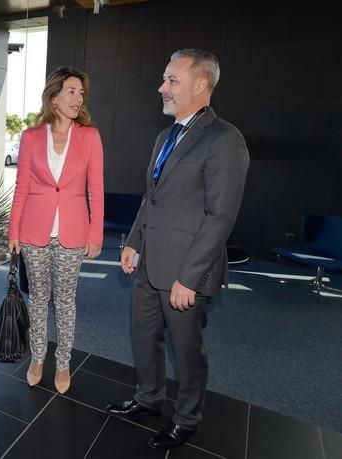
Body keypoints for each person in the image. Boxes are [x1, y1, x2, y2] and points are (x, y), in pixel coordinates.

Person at [105, 49, 250, 449]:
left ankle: (187, 420)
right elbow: (150, 198)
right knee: (143, 338)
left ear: (200, 84)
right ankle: (148, 399)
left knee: (186, 352)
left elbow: (220, 217)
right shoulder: (165, 136)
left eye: (171, 80)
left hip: (186, 271)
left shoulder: (225, 140)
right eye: (164, 79)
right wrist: (134, 241)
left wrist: (189, 276)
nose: (161, 87)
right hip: (150, 262)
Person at [7, 66, 104, 395]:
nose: (78, 98)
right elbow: (21, 187)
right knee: (37, 300)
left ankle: (63, 362)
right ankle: (37, 357)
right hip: (34, 230)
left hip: (73, 232)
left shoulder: (90, 136)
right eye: (72, 91)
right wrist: (13, 230)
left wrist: (95, 234)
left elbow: (97, 190)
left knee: (65, 301)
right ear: (54, 97)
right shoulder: (32, 137)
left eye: (81, 93)